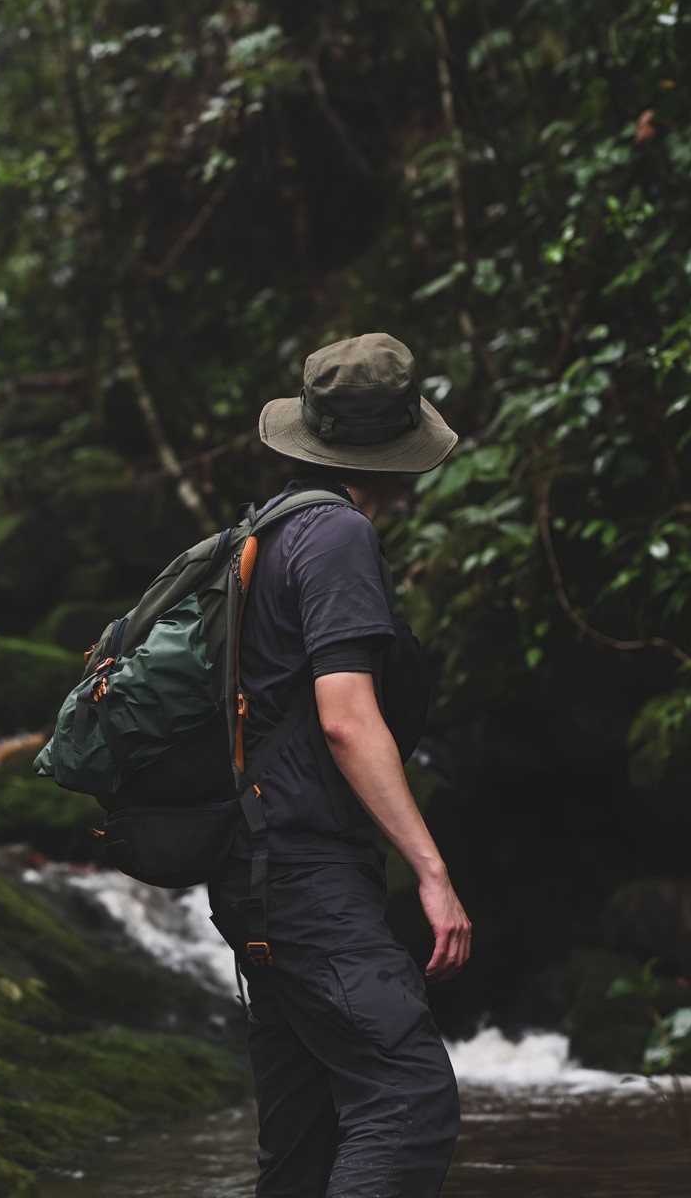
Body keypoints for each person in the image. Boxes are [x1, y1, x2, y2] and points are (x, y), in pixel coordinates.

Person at [208, 332, 473, 1198]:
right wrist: (431, 872)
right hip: (306, 874)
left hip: (251, 869)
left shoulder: (264, 531)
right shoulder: (339, 537)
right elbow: (348, 719)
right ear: (397, 453)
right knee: (407, 1097)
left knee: (305, 1136)